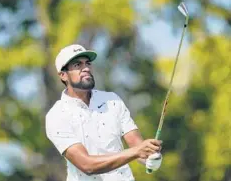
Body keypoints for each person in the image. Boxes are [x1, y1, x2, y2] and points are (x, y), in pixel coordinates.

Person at [45, 44, 163, 181]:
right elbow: (87, 165)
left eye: (88, 63)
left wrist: (150, 157)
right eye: (78, 65)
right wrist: (137, 151)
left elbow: (137, 145)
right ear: (63, 75)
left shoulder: (112, 99)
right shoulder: (56, 116)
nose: (86, 68)